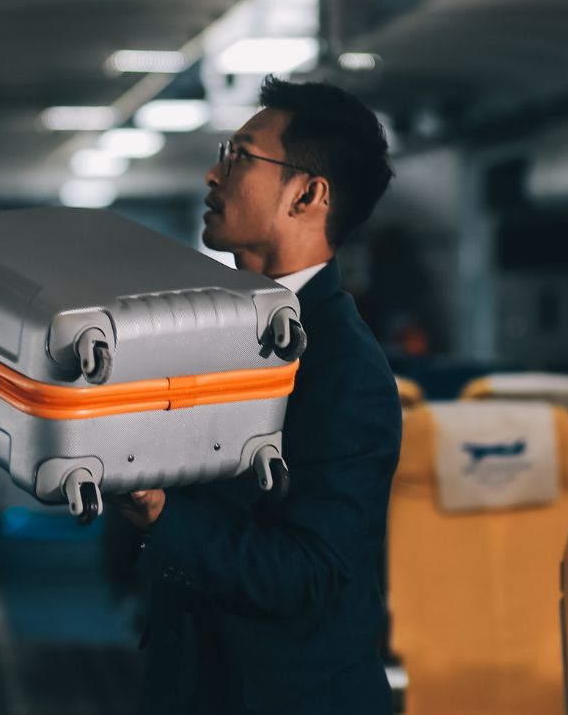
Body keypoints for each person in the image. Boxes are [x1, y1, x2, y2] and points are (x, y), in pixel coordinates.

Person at [112, 76, 400, 715]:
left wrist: (163, 516)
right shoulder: (217, 332)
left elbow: (312, 572)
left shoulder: (345, 367)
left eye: (239, 156)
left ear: (308, 195)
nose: (213, 174)